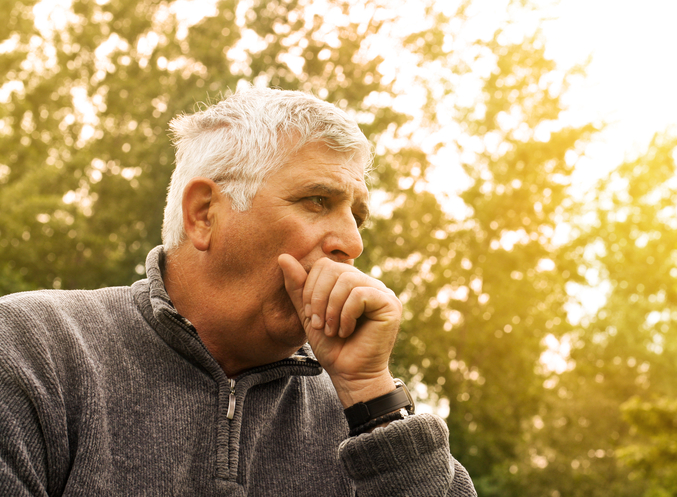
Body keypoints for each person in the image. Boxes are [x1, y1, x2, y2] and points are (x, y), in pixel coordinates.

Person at [0, 87, 477, 496]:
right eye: (318, 201)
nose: (353, 243)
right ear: (204, 214)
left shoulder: (357, 408)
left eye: (357, 216)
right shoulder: (31, 351)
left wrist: (371, 398)